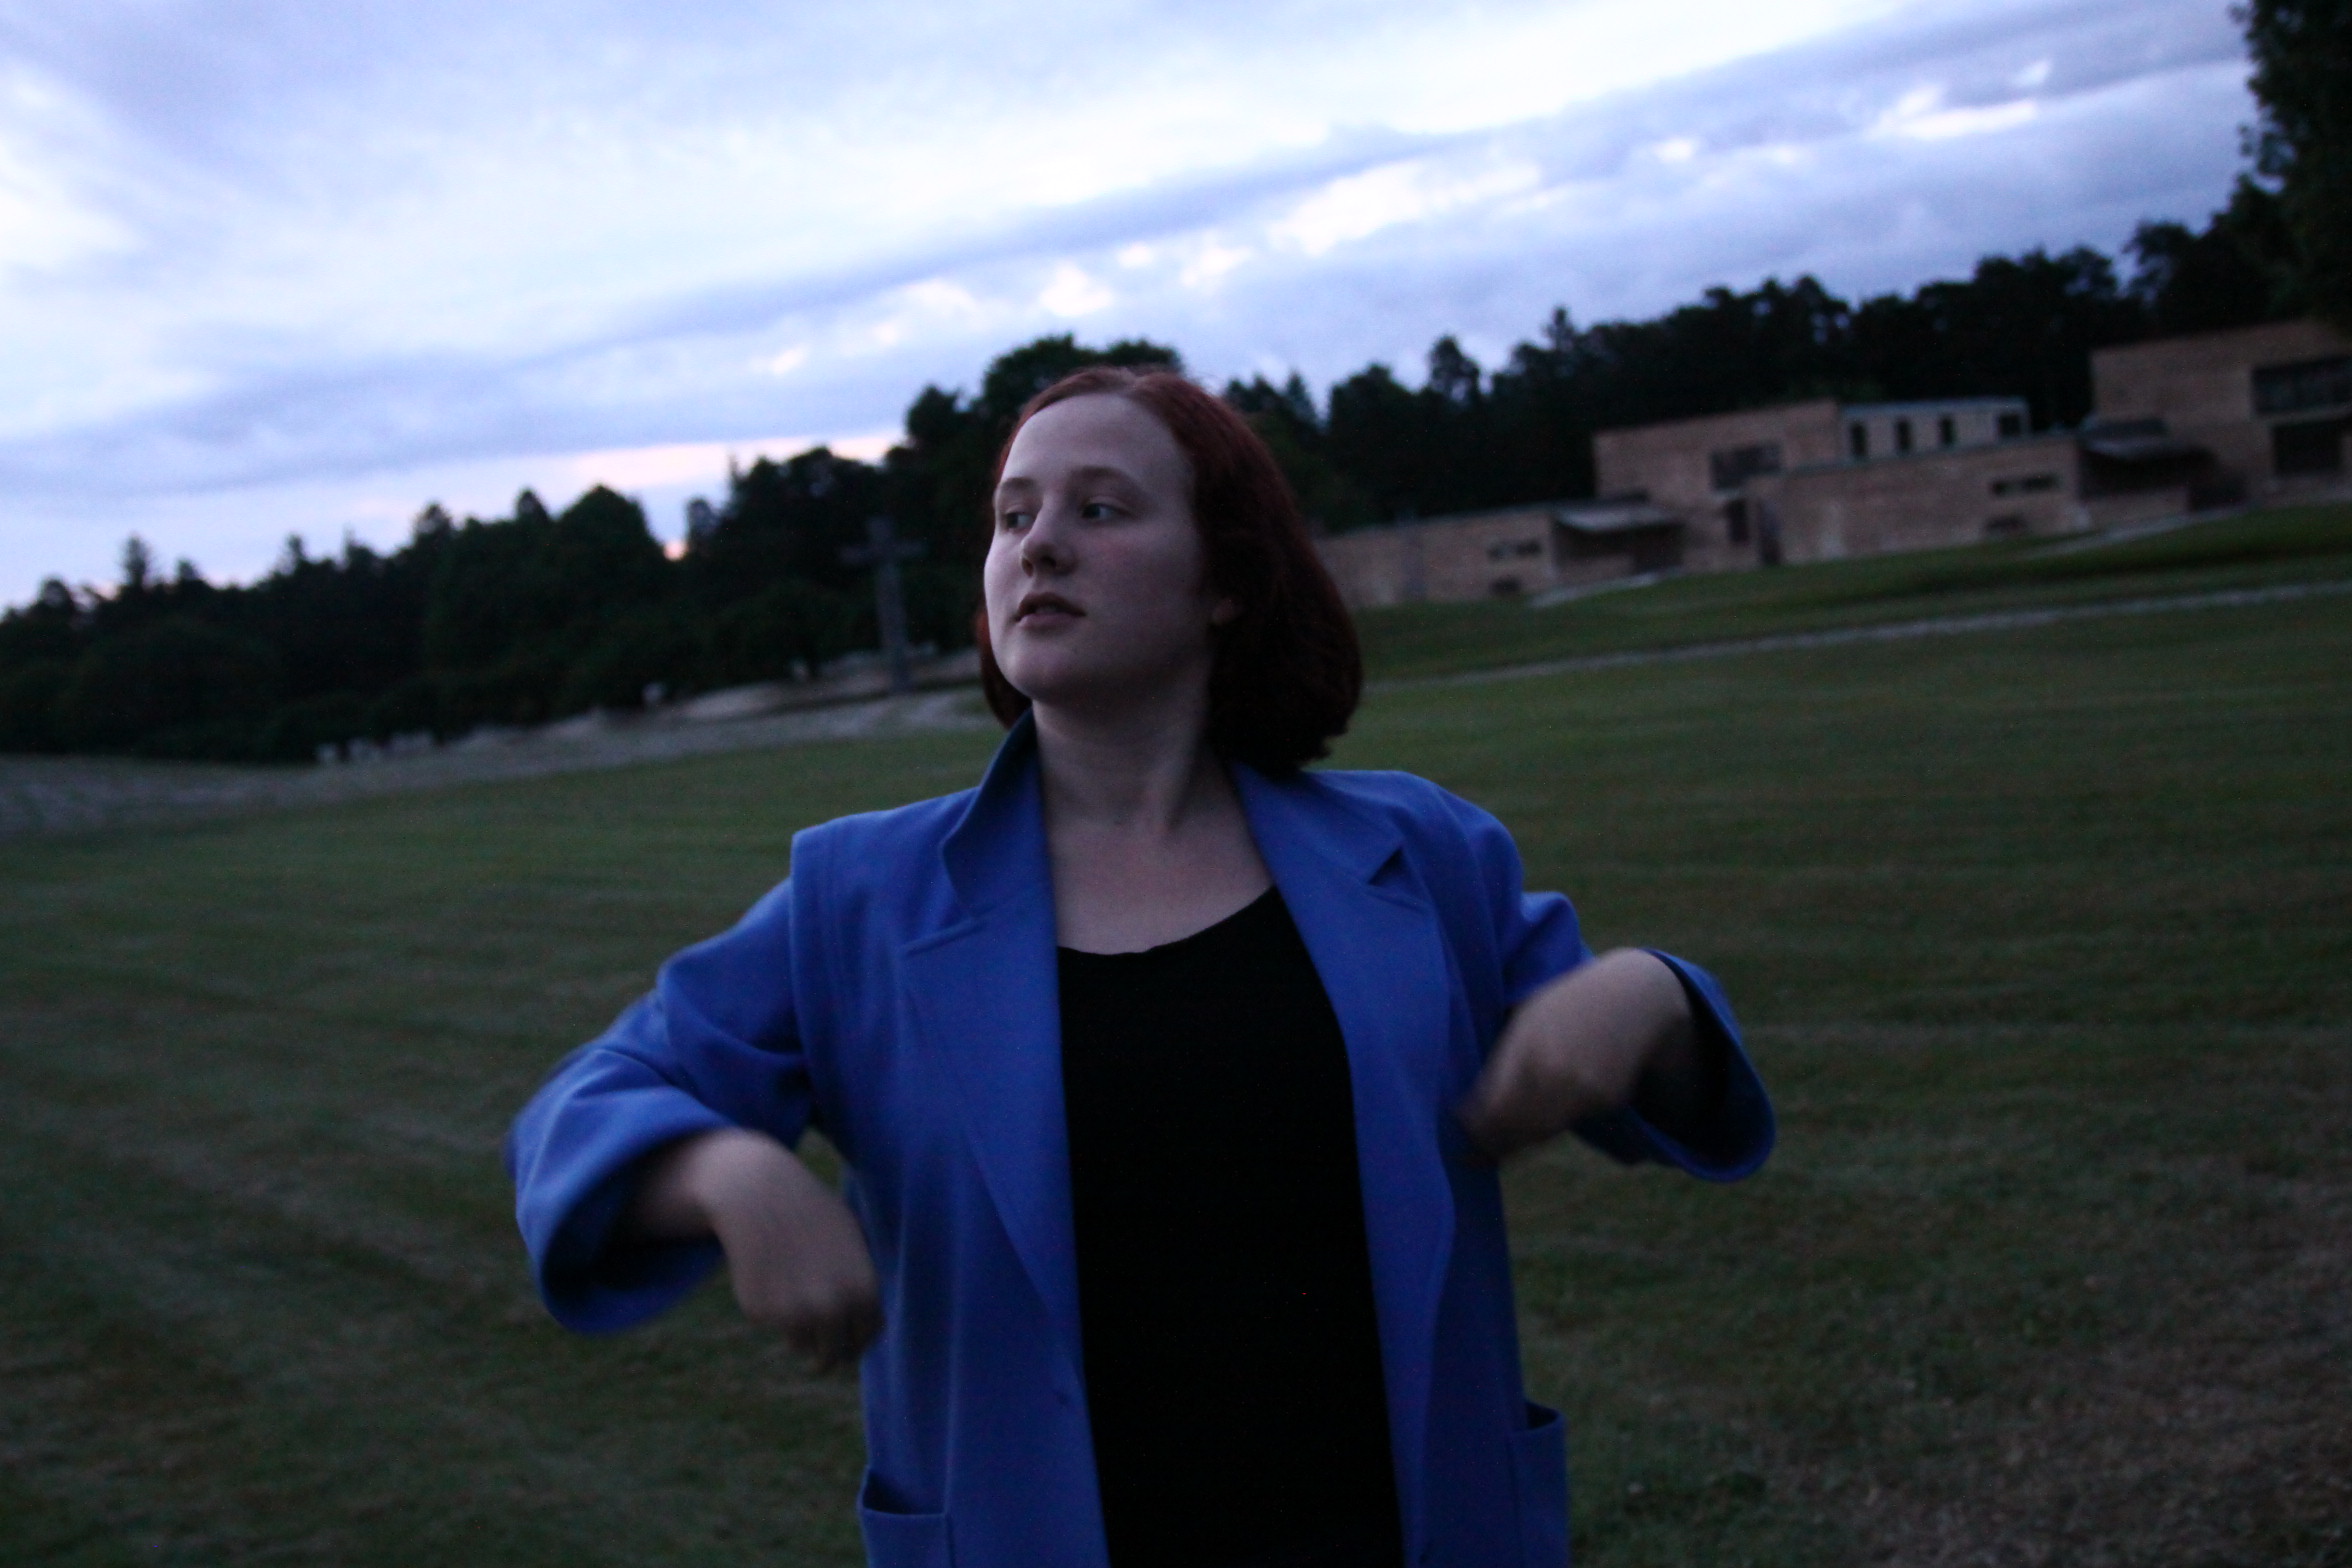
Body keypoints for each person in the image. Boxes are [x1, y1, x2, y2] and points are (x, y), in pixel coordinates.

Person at [506, 367, 1774, 1568]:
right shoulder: (858, 902)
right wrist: (723, 1171)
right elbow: (588, 1103)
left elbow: (1640, 1057)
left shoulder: (1420, 852)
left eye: (1100, 508)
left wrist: (1648, 993)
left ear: (1225, 578)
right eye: (1014, 516)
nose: (1039, 545)